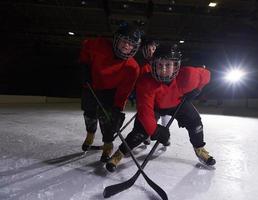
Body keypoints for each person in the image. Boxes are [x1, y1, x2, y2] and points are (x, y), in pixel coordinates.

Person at [105, 44, 216, 172]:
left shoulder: (188, 75)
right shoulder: (146, 82)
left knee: (195, 122)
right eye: (159, 65)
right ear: (153, 65)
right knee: (140, 132)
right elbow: (145, 111)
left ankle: (199, 149)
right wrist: (155, 131)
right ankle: (120, 153)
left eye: (168, 65)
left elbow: (206, 75)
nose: (163, 70)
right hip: (155, 107)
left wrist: (197, 89)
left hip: (177, 104)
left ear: (176, 66)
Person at [79, 22, 142, 162]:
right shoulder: (99, 46)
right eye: (124, 41)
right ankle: (90, 134)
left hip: (110, 92)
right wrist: (84, 66)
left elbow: (124, 91)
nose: (127, 46)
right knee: (89, 113)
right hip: (92, 86)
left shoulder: (133, 68)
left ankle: (108, 144)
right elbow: (85, 46)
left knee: (107, 121)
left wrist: (117, 109)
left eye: (131, 44)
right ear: (116, 40)